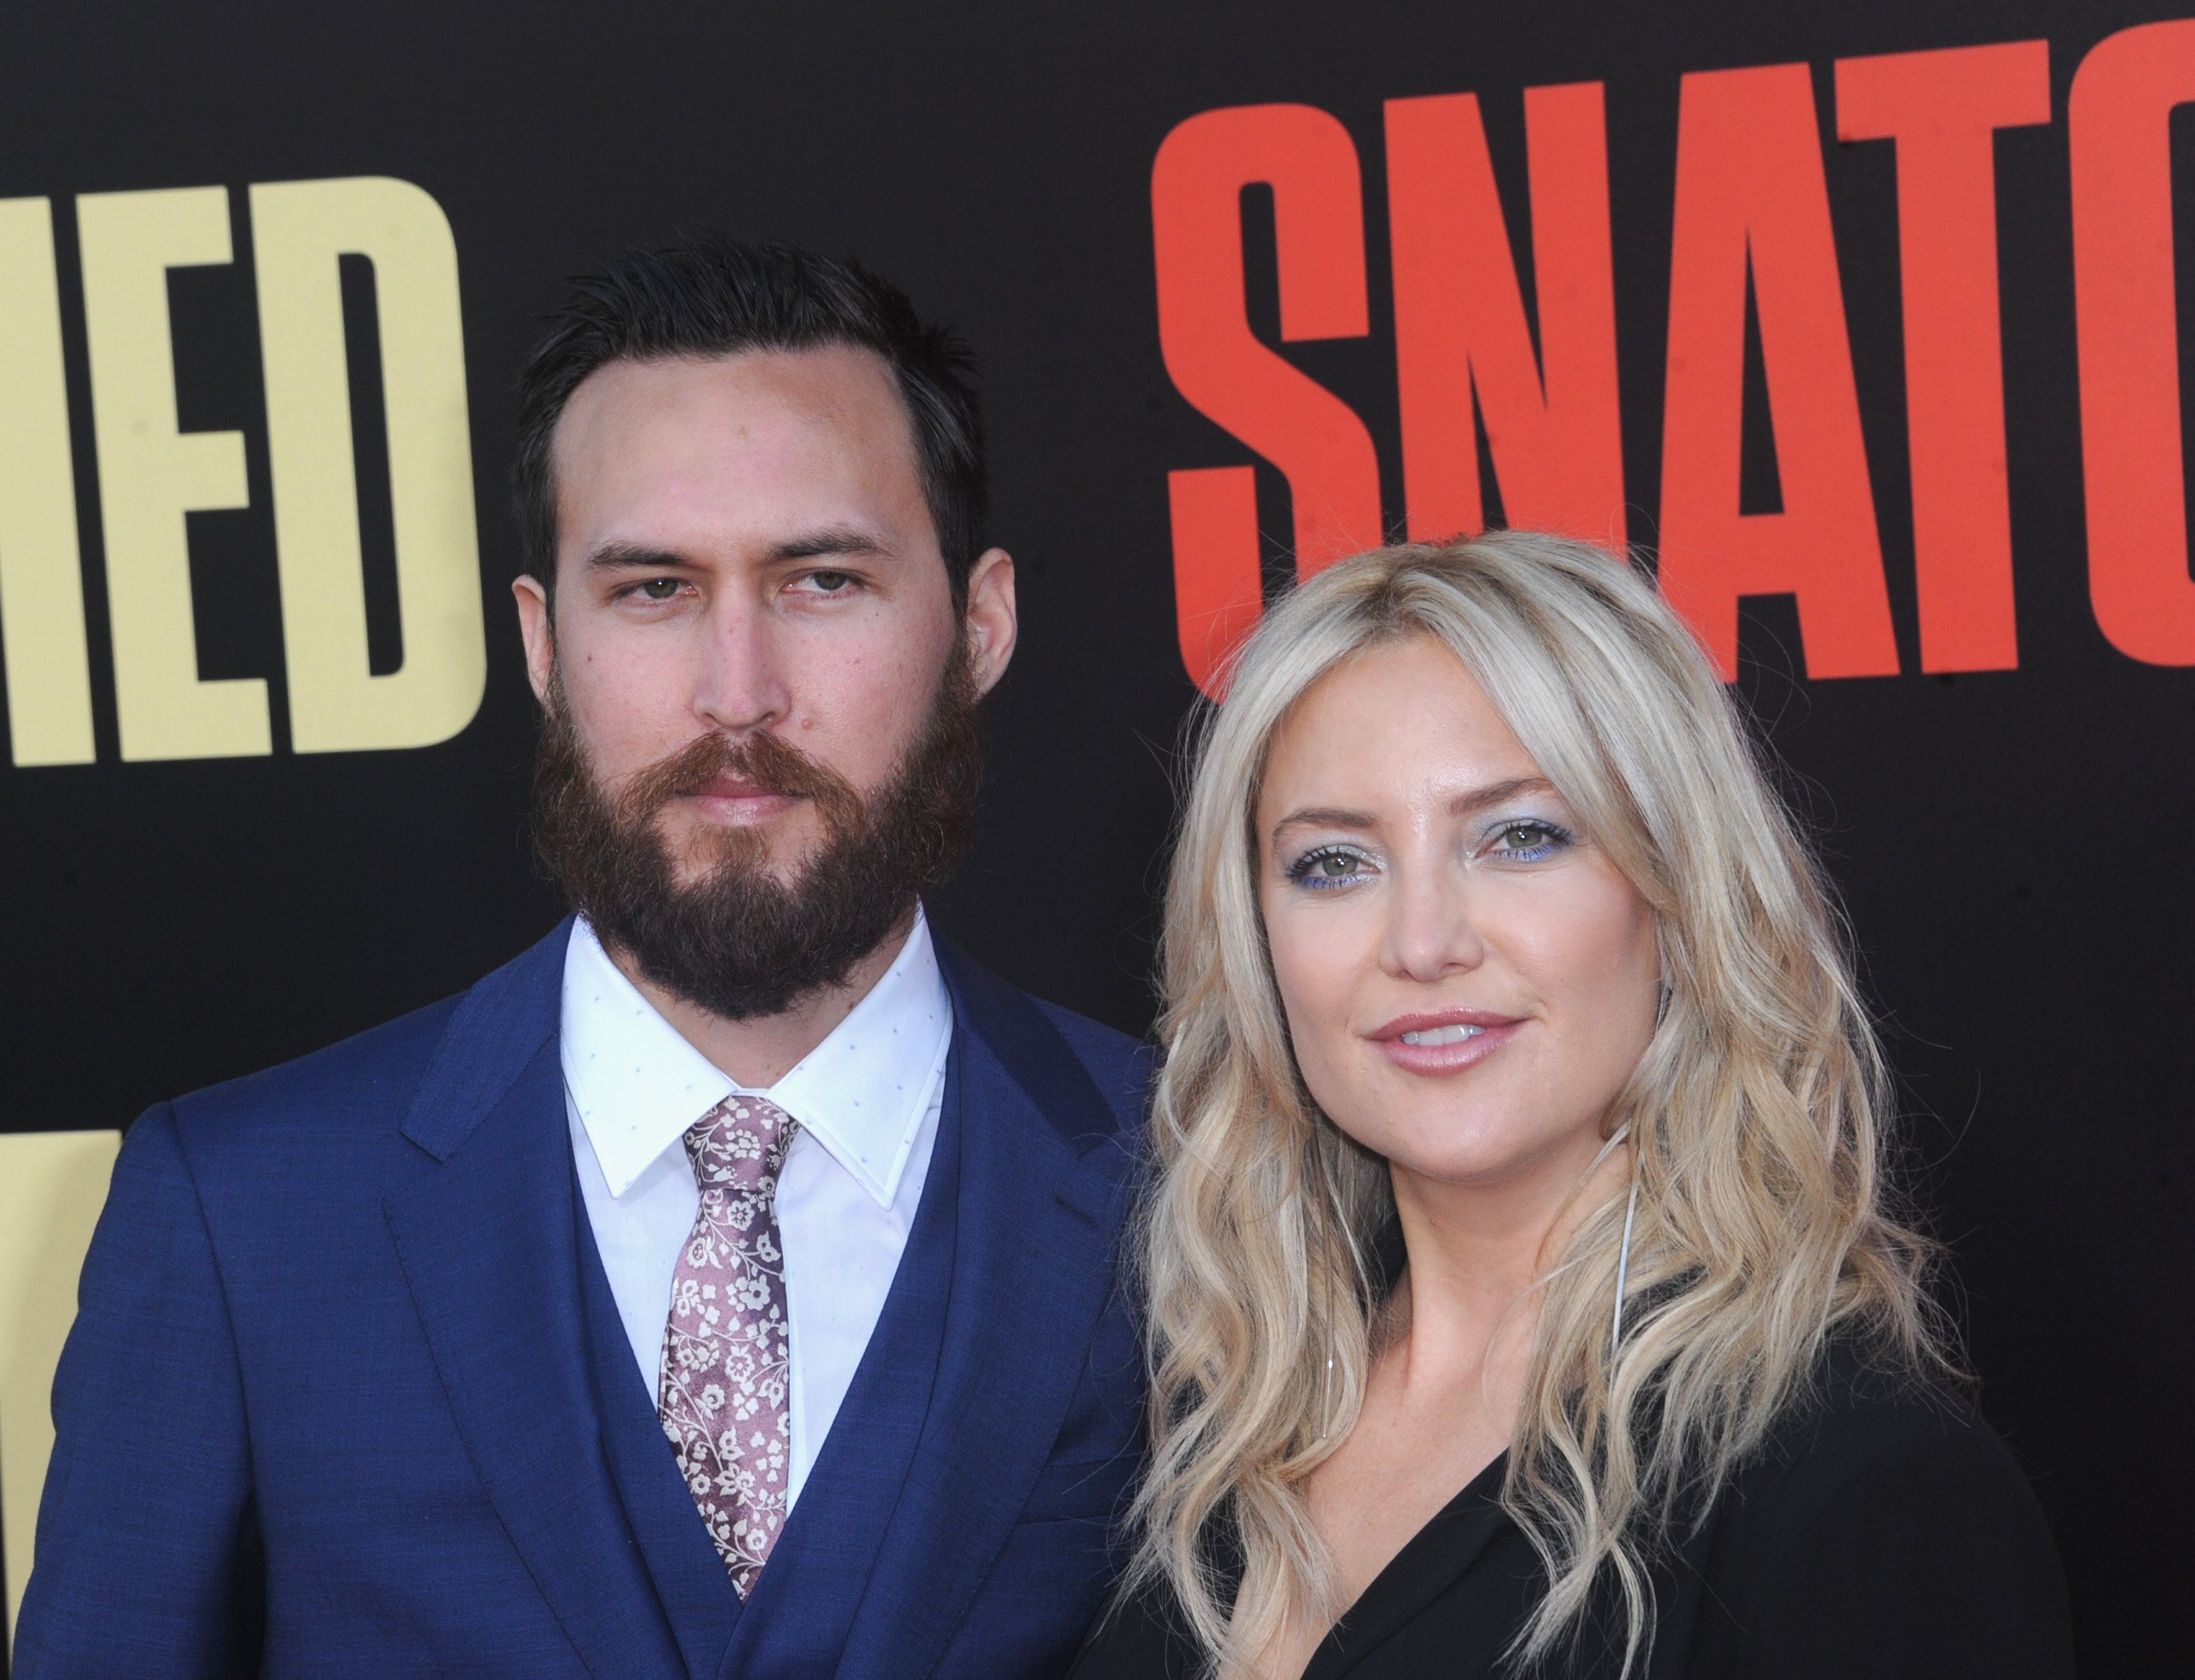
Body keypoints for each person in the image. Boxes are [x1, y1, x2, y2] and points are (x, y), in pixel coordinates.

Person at [17, 237, 1148, 1679]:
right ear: (545, 646)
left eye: (821, 579)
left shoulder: (1196, 1185)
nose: (738, 697)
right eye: (653, 590)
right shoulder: (238, 1215)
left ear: (977, 624)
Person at [1068, 534, 2073, 1680]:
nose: (1421, 943)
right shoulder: (1213, 1430)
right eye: (1333, 864)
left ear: (1675, 895)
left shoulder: (1851, 1480)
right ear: (1256, 940)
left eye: (1520, 837)